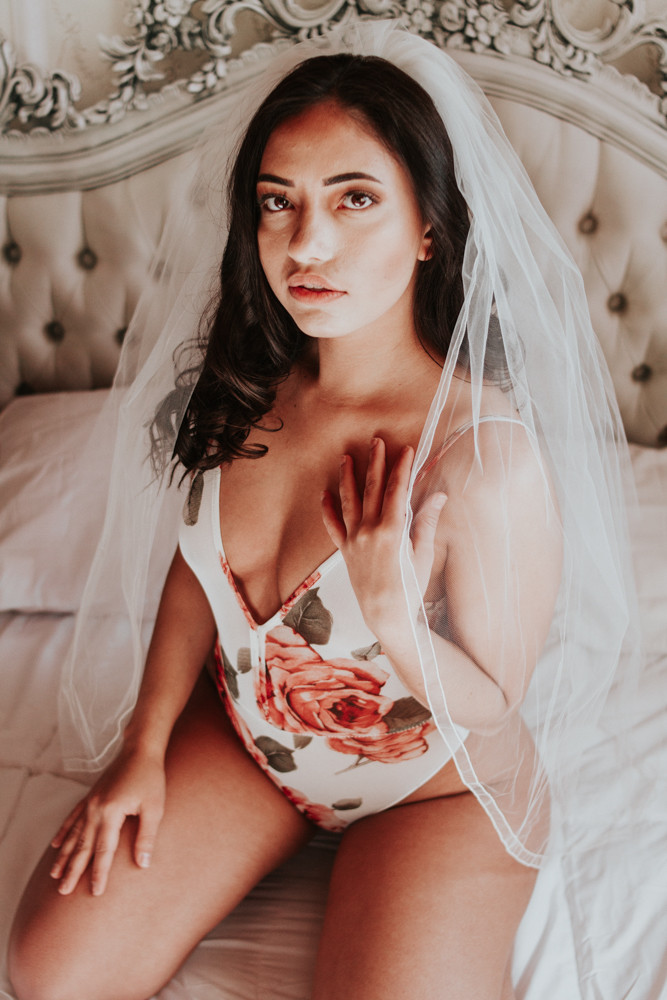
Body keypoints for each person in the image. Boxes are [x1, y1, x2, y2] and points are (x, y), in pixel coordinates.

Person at [8, 22, 639, 1000]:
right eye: (278, 203)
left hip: (433, 788)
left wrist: (394, 622)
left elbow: (494, 703)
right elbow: (197, 573)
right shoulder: (248, 390)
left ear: (428, 226)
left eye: (354, 199)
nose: (306, 244)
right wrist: (143, 748)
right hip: (255, 741)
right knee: (48, 971)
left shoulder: (480, 457)